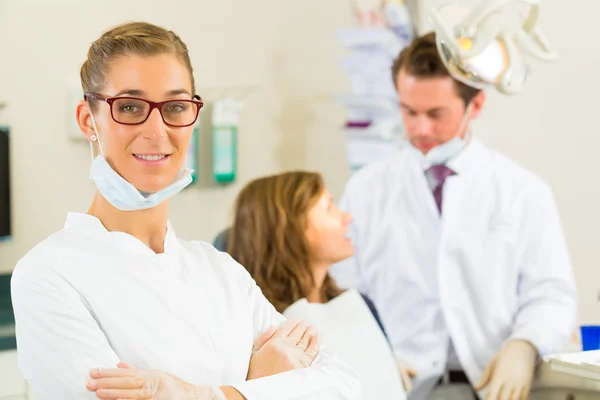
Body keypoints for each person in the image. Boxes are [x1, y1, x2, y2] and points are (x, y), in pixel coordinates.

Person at [10, 22, 360, 400]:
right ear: (87, 120)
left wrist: (207, 395)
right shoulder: (49, 276)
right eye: (130, 107)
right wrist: (260, 384)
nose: (157, 130)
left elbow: (345, 387)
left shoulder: (221, 272)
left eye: (175, 107)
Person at [329, 32, 578, 400]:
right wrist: (367, 347)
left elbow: (552, 294)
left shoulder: (523, 191)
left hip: (496, 385)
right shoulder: (366, 190)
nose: (420, 129)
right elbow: (340, 290)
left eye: (435, 114)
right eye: (409, 111)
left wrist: (524, 344)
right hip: (399, 387)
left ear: (475, 105)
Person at [226, 171, 412, 399]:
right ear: (290, 226)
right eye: (330, 207)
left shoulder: (362, 305)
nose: (347, 217)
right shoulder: (260, 324)